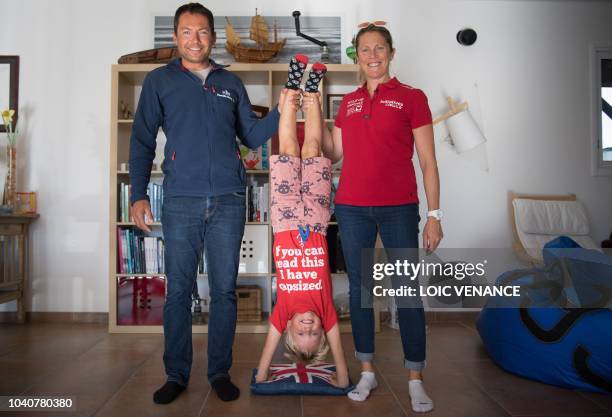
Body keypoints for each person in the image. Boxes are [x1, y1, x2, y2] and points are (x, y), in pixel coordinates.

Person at [128, 3, 300, 404]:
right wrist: (138, 193)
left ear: (213, 37)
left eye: (202, 31)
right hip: (180, 201)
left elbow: (253, 136)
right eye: (186, 32)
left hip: (228, 198)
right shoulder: (159, 81)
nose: (194, 39)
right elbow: (141, 140)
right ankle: (176, 374)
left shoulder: (230, 83)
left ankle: (219, 371)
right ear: (175, 38)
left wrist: (281, 108)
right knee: (178, 292)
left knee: (223, 290)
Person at [304, 23, 443, 412]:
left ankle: (415, 378)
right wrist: (314, 106)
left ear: (391, 52)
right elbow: (333, 153)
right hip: (351, 208)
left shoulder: (412, 98)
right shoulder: (347, 103)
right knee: (360, 293)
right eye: (365, 50)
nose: (372, 55)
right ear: (357, 57)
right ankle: (366, 370)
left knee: (407, 291)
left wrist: (434, 215)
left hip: (399, 207)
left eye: (379, 48)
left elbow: (429, 163)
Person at [255, 57, 349, 388]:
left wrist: (263, 374)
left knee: (287, 147)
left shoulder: (283, 311)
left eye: (301, 332)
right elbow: (337, 351)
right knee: (311, 146)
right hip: (318, 218)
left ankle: (293, 85)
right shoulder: (325, 309)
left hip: (283, 218)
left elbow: (267, 354)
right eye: (314, 332)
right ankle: (312, 93)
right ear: (323, 328)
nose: (307, 325)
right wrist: (342, 378)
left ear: (289, 328)